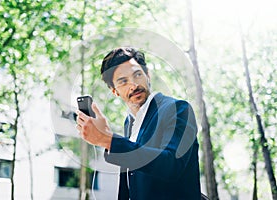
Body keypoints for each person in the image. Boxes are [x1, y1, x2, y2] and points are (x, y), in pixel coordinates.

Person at [77, 47, 201, 200]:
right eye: (123, 81)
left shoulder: (178, 109)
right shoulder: (129, 123)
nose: (134, 85)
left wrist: (108, 140)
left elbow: (172, 164)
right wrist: (108, 140)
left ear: (147, 75)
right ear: (114, 91)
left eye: (137, 75)